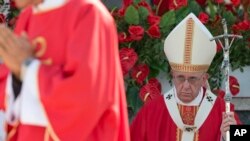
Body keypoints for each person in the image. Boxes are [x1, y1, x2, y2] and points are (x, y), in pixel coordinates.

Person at [0, 0, 130, 141]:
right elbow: (9, 86)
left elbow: (85, 99)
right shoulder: (28, 17)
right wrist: (18, 77)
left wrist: (27, 67)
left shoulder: (89, 14)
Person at [130, 13, 241, 141]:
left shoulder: (222, 109)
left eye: (193, 78)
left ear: (204, 79)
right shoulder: (152, 110)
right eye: (181, 78)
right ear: (172, 75)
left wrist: (230, 135)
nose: (186, 86)